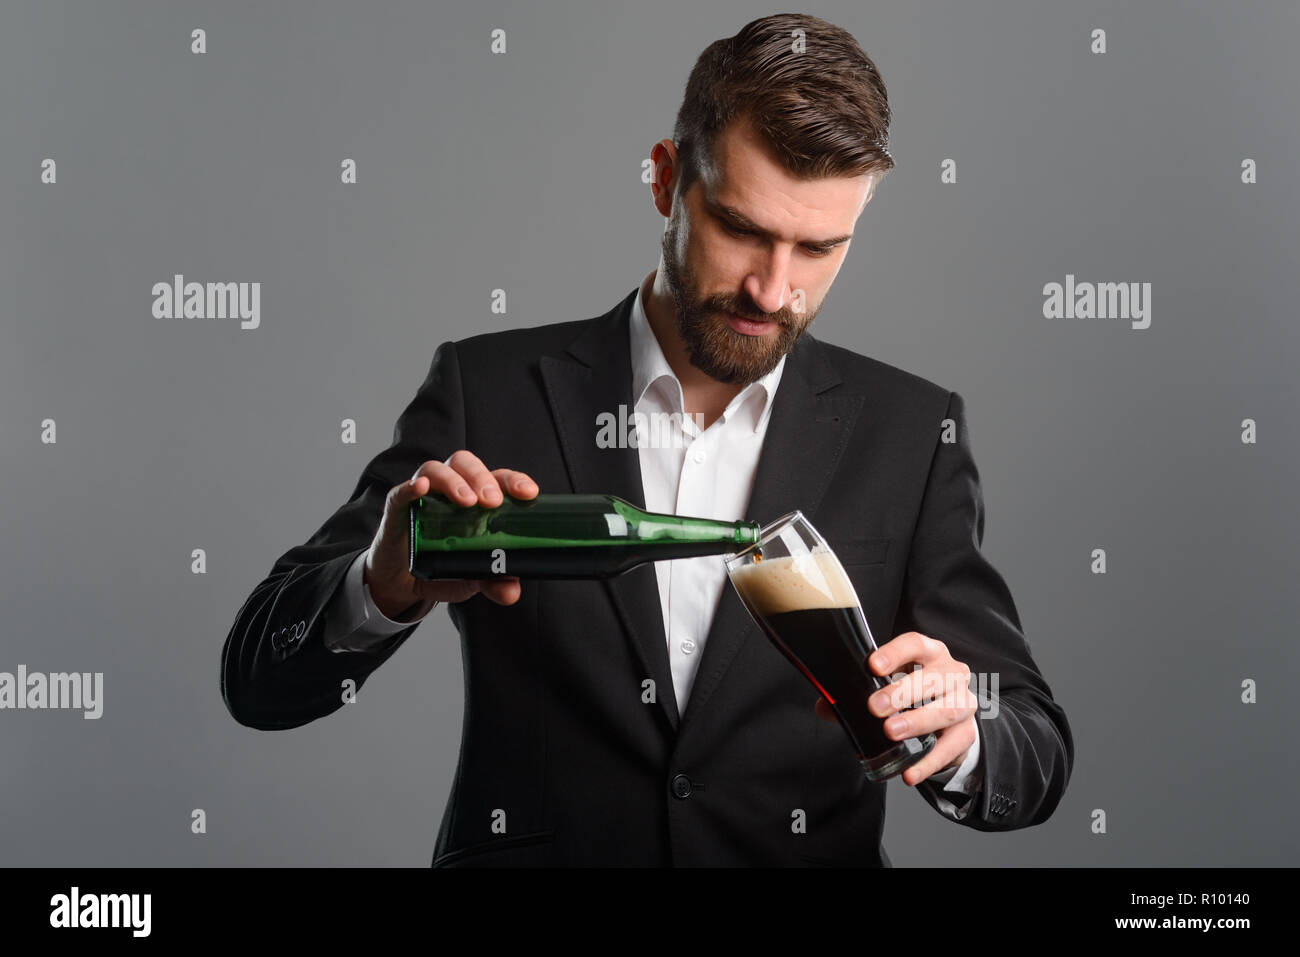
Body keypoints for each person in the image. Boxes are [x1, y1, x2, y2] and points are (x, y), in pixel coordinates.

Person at [222, 13, 1072, 866]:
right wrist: (382, 583)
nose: (773, 290)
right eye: (742, 229)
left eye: (817, 249)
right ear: (666, 180)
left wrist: (963, 734)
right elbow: (259, 681)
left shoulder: (914, 433)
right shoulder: (486, 391)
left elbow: (1034, 750)